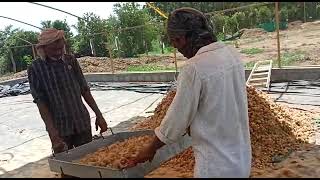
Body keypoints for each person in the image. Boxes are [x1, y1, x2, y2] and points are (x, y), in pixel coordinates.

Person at [126, 8, 252, 178]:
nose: (177, 49)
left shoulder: (194, 68)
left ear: (182, 38)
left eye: (175, 42)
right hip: (242, 162)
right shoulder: (232, 55)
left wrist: (149, 149)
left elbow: (176, 120)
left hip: (216, 168)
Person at [28, 28, 108, 155]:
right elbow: (41, 103)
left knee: (89, 160)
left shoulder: (71, 61)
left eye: (61, 48)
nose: (59, 52)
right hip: (60, 129)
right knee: (67, 166)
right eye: (55, 49)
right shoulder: (36, 69)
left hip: (81, 122)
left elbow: (85, 90)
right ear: (43, 48)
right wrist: (53, 134)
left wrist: (99, 115)